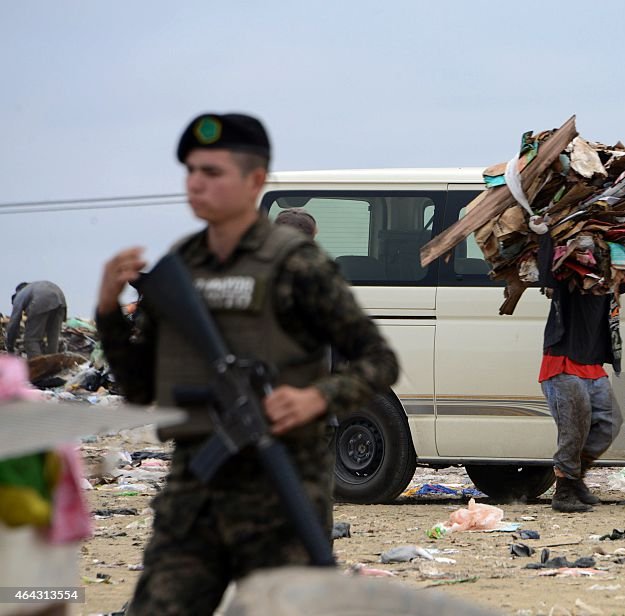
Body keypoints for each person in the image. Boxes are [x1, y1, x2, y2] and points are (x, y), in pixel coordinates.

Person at [95, 112, 399, 615]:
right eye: (193, 172)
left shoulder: (305, 272)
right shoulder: (184, 269)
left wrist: (315, 397)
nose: (198, 185)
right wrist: (108, 314)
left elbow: (377, 361)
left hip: (282, 479)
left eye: (214, 173)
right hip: (198, 487)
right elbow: (137, 385)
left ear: (253, 181)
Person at [536, 233, 625, 512]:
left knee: (609, 424)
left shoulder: (610, 283)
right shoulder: (567, 280)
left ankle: (575, 478)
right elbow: (545, 274)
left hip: (592, 368)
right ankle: (563, 490)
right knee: (574, 429)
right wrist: (545, 235)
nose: (587, 256)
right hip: (562, 365)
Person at [5, 281, 67, 358]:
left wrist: (10, 347)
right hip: (60, 299)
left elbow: (13, 323)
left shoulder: (19, 295)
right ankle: (53, 364)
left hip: (41, 300)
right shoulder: (33, 287)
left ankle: (39, 365)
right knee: (53, 339)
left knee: (31, 340)